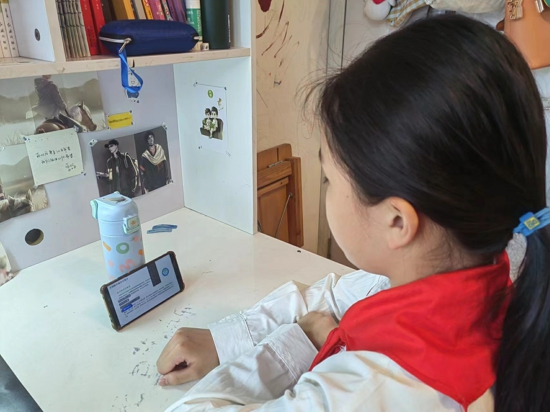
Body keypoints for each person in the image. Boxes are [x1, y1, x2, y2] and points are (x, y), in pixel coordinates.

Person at [157, 16, 550, 412]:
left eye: (329, 179)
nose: (325, 188)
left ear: (397, 221)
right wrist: (227, 340)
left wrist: (295, 343)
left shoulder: (372, 389)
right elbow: (338, 295)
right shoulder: (478, 265)